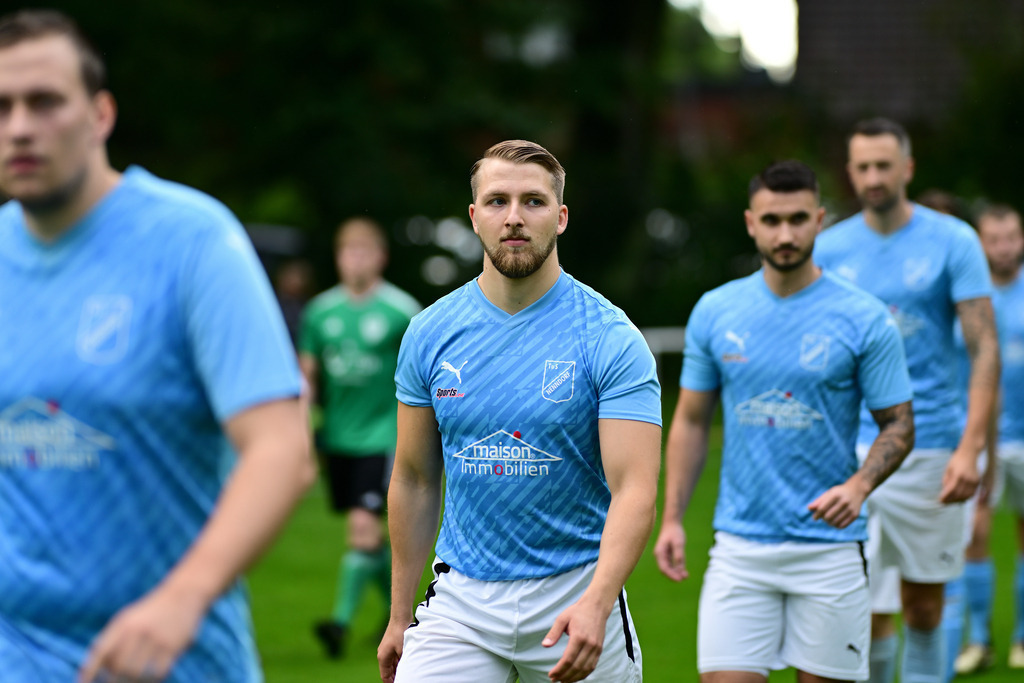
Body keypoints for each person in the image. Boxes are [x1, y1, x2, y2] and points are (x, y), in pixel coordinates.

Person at [0, 10, 314, 683]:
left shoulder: (192, 241)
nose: (20, 126)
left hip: (171, 660)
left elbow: (281, 448)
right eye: (2, 107)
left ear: (100, 115)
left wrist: (183, 598)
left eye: (45, 101)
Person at [376, 140, 662, 683]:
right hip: (461, 602)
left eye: (533, 201)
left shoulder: (610, 337)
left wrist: (598, 602)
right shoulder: (430, 332)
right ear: (474, 217)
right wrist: (398, 616)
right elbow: (414, 478)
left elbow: (636, 490)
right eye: (497, 201)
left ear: (561, 217)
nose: (513, 217)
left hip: (576, 594)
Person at [654, 160, 915, 682]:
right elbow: (691, 420)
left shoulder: (864, 317)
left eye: (798, 219)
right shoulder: (716, 310)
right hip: (739, 548)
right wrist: (674, 518)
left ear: (819, 220)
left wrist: (859, 487)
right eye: (772, 221)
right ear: (751, 223)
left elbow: (900, 424)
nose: (786, 234)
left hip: (829, 550)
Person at [814, 117, 1000, 683]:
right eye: (863, 167)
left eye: (884, 166)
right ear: (850, 173)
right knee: (864, 606)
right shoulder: (830, 247)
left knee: (924, 607)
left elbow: (984, 347)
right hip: (851, 451)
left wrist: (970, 449)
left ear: (907, 168)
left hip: (932, 447)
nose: (873, 177)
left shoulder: (953, 240)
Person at [298, 216, 420, 658]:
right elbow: (307, 376)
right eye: (349, 252)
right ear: (338, 258)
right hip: (338, 438)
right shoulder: (320, 312)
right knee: (371, 540)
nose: (356, 261)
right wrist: (301, 429)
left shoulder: (401, 311)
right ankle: (403, 614)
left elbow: (421, 376)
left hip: (383, 437)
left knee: (363, 529)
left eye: (364, 252)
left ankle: (339, 625)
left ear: (380, 258)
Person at [950, 204, 1024, 674]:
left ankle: (1022, 637)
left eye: (1011, 237)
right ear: (980, 243)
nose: (1004, 248)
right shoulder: (968, 294)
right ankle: (979, 639)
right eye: (994, 239)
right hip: (976, 436)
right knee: (974, 533)